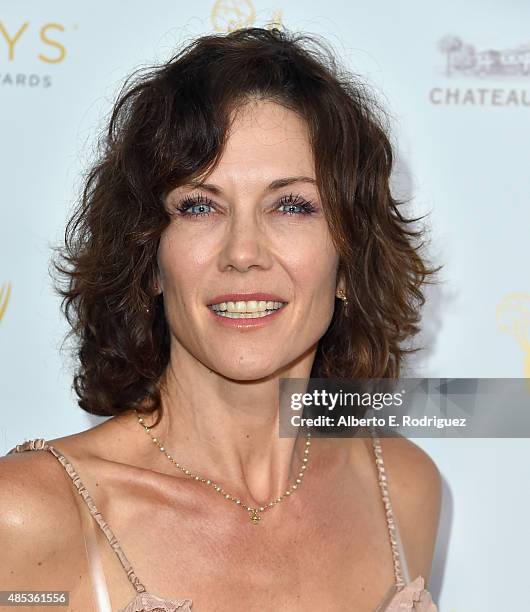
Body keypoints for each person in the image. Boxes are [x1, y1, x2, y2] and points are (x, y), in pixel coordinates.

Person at [0, 27, 442, 611]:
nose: (243, 252)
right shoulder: (30, 513)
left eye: (291, 205)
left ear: (347, 263)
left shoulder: (403, 488)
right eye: (200, 207)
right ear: (149, 260)